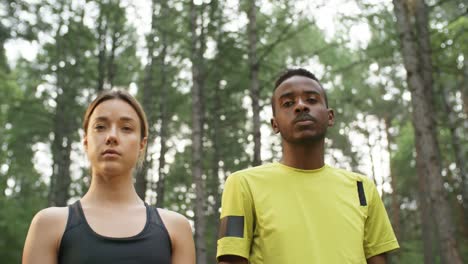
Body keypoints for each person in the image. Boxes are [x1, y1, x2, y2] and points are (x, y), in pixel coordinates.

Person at [216, 68, 399, 264]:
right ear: (275, 124)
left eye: (311, 100)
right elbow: (231, 259)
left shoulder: (362, 188)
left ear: (330, 117)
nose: (301, 106)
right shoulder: (242, 184)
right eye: (288, 103)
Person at [23, 90, 195, 264]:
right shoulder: (48, 225)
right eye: (100, 127)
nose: (111, 136)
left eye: (126, 128)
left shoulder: (175, 229)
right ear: (85, 141)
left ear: (142, 144)